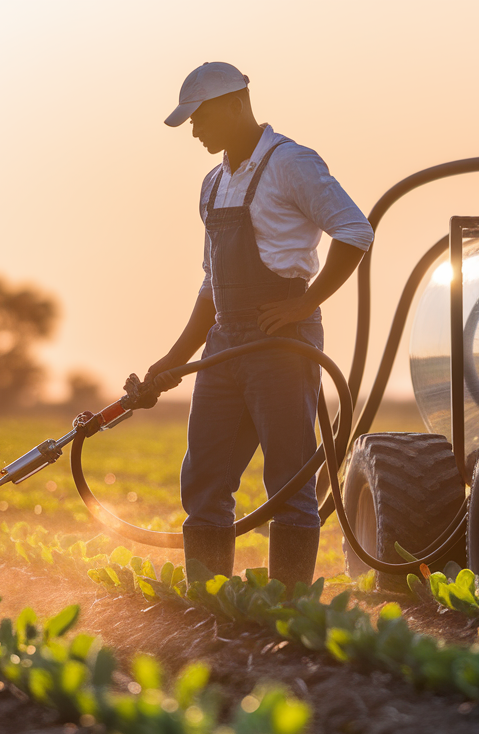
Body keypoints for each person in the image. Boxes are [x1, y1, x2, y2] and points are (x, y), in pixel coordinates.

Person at [146, 62, 373, 589]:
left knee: (289, 482)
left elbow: (355, 232)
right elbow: (211, 284)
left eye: (200, 119)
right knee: (204, 479)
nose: (195, 132)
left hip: (282, 343)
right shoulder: (212, 183)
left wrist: (304, 304)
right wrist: (174, 360)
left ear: (237, 104)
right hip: (225, 342)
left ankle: (290, 611)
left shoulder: (292, 163)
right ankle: (210, 602)